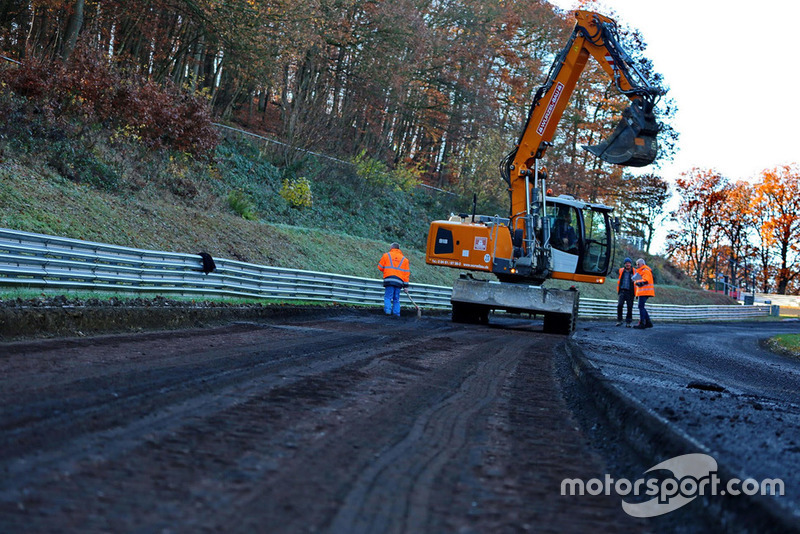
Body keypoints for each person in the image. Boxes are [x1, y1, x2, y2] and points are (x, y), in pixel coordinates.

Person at [378, 243, 410, 317]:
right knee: (396, 298)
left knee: (388, 297)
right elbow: (406, 274)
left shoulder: (386, 255)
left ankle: (388, 311)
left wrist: (387, 270)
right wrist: (406, 286)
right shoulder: (405, 260)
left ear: (392, 247)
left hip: (389, 279)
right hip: (399, 282)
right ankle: (396, 313)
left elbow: (380, 267)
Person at [633, 258, 655, 329]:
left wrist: (637, 282)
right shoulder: (643, 270)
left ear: (642, 264)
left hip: (644, 292)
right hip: (644, 292)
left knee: (641, 307)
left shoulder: (645, 270)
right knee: (641, 307)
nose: (637, 266)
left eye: (638, 264)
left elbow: (646, 280)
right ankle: (648, 322)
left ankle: (642, 323)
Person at [616, 257, 635, 327]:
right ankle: (619, 320)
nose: (627, 264)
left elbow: (638, 279)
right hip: (622, 291)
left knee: (629, 307)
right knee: (620, 305)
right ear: (624, 264)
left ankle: (628, 322)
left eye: (629, 263)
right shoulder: (621, 270)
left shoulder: (634, 271)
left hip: (630, 292)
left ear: (631, 264)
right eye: (626, 263)